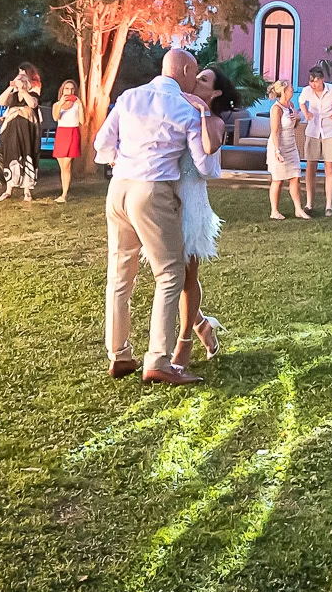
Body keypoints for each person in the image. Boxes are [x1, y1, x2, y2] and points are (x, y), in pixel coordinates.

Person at [92, 48, 220, 385]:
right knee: (170, 273)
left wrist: (119, 160)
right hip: (152, 191)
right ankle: (158, 360)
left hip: (118, 188)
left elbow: (102, 145)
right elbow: (205, 166)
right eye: (194, 73)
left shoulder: (130, 97)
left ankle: (119, 354)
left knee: (120, 273)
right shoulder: (184, 107)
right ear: (187, 70)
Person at [171, 70, 228, 371]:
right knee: (169, 276)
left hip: (191, 202)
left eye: (204, 80)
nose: (196, 81)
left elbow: (208, 151)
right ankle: (203, 324)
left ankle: (184, 343)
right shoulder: (176, 109)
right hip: (163, 197)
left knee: (186, 277)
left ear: (216, 93)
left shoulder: (215, 121)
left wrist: (204, 111)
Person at [295, 65, 332, 216]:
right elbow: (301, 101)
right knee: (310, 166)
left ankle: (329, 205)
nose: (313, 85)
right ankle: (309, 203)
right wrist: (306, 112)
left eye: (316, 81)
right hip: (313, 131)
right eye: (311, 81)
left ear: (322, 80)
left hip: (330, 131)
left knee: (329, 167)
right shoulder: (307, 91)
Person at [0, 65, 43, 202]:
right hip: (11, 132)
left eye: (23, 79)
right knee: (11, 156)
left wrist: (23, 90)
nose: (20, 81)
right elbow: (1, 101)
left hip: (26, 132)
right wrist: (11, 87)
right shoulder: (13, 96)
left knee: (26, 155)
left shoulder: (32, 95)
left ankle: (27, 191)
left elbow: (32, 104)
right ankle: (8, 189)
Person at [265, 80, 309, 219]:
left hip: (291, 145)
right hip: (279, 145)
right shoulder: (276, 109)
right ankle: (274, 211)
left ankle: (298, 209)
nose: (293, 89)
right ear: (284, 90)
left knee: (295, 177)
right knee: (278, 179)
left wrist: (297, 119)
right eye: (290, 87)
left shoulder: (291, 105)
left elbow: (293, 126)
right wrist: (277, 151)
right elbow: (275, 131)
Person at [50, 80, 84, 204]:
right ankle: (64, 192)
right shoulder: (57, 104)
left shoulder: (77, 105)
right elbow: (55, 117)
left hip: (73, 133)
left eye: (71, 89)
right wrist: (60, 104)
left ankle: (64, 194)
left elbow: (82, 121)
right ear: (62, 90)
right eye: (67, 89)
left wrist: (80, 106)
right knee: (62, 167)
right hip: (61, 134)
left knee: (67, 165)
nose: (69, 91)